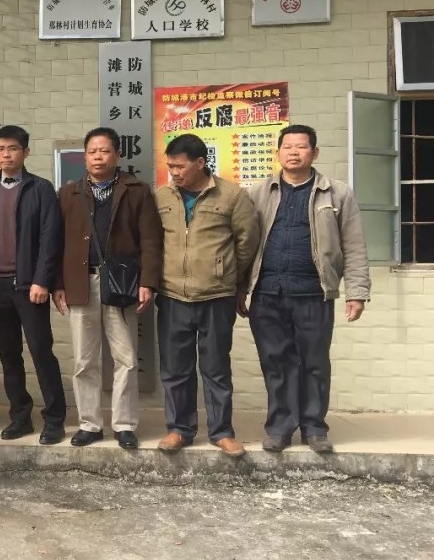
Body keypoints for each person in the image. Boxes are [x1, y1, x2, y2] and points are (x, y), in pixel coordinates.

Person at [242, 125, 370, 454]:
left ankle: (314, 427)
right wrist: (240, 289)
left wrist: (357, 292)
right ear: (278, 152)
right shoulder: (258, 193)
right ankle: (280, 427)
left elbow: (354, 245)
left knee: (314, 362)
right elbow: (244, 244)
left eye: (301, 147)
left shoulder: (337, 193)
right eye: (287, 147)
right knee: (276, 362)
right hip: (268, 293)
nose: (294, 152)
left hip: (314, 293)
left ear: (315, 152)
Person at [53, 128, 163, 450]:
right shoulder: (69, 193)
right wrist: (57, 284)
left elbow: (151, 240)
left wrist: (148, 282)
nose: (98, 157)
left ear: (117, 155)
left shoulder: (136, 191)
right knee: (84, 361)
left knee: (125, 358)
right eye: (92, 152)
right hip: (80, 283)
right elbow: (56, 242)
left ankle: (124, 424)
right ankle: (89, 424)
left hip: (121, 284)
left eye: (104, 151)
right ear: (85, 157)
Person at [154, 133, 258, 457]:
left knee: (215, 368)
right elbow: (153, 242)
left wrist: (232, 280)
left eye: (180, 166)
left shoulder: (232, 196)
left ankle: (221, 432)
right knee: (175, 369)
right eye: (170, 166)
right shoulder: (162, 197)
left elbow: (247, 242)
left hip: (216, 296)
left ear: (200, 163)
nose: (174, 172)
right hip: (173, 295)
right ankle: (179, 429)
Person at [0, 125, 66, 445]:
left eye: (13, 148)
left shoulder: (40, 189)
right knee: (9, 355)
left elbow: (50, 238)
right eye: (1, 149)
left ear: (26, 152)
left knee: (41, 351)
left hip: (30, 287)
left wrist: (42, 280)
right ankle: (20, 417)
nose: (6, 155)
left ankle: (54, 420)